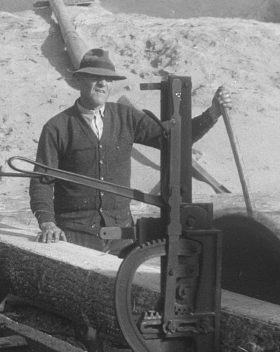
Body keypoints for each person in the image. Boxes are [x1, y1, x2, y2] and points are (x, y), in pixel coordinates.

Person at [30, 48, 233, 252]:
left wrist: (212, 113)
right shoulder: (57, 127)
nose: (102, 84)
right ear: (80, 80)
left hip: (122, 238)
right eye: (95, 77)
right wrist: (47, 222)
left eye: (108, 80)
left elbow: (174, 141)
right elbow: (42, 181)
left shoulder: (126, 117)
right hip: (75, 238)